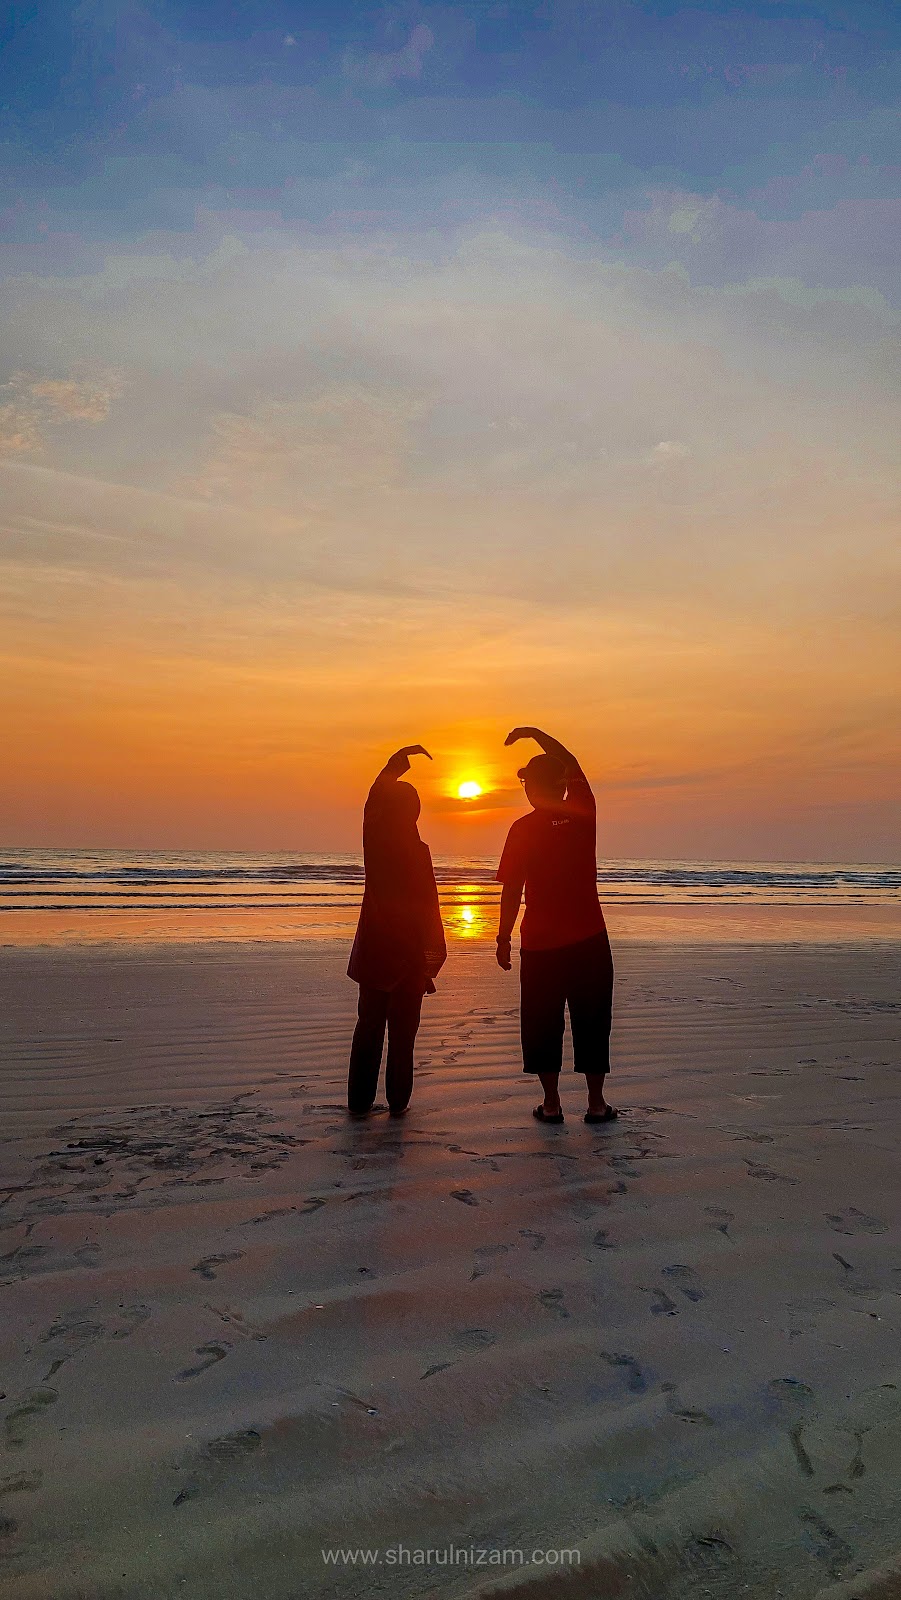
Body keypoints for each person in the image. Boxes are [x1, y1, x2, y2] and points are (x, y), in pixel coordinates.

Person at [495, 727, 616, 1125]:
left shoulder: (522, 829)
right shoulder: (583, 812)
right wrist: (537, 735)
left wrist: (502, 937)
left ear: (532, 789)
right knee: (593, 1019)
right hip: (589, 938)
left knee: (542, 1022)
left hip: (542, 943)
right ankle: (596, 1105)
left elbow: (512, 889)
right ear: (564, 785)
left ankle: (551, 1105)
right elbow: (574, 764)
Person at [347, 745, 446, 1118]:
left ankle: (358, 1103)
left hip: (375, 952)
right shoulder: (418, 851)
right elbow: (428, 909)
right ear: (414, 813)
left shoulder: (375, 843)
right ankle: (398, 1103)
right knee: (403, 1035)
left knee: (368, 1027)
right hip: (407, 958)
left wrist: (392, 767)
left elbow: (372, 805)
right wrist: (427, 965)